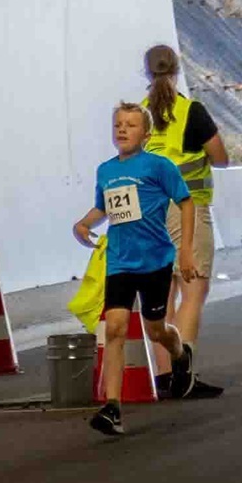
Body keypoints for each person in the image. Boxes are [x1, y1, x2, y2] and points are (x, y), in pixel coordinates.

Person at [73, 103, 199, 436]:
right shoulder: (105, 170)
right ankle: (112, 407)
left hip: (155, 260)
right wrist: (83, 224)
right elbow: (103, 208)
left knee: (155, 330)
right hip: (119, 260)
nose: (122, 130)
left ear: (146, 133)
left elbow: (186, 202)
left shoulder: (158, 166)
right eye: (118, 124)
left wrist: (186, 250)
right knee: (115, 328)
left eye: (130, 125)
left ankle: (180, 353)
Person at [142, 44, 227, 400]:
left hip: (147, 213)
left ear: (147, 73)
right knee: (193, 290)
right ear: (177, 71)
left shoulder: (138, 115)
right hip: (185, 209)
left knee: (162, 296)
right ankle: (183, 373)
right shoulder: (191, 111)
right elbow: (220, 157)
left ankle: (163, 376)